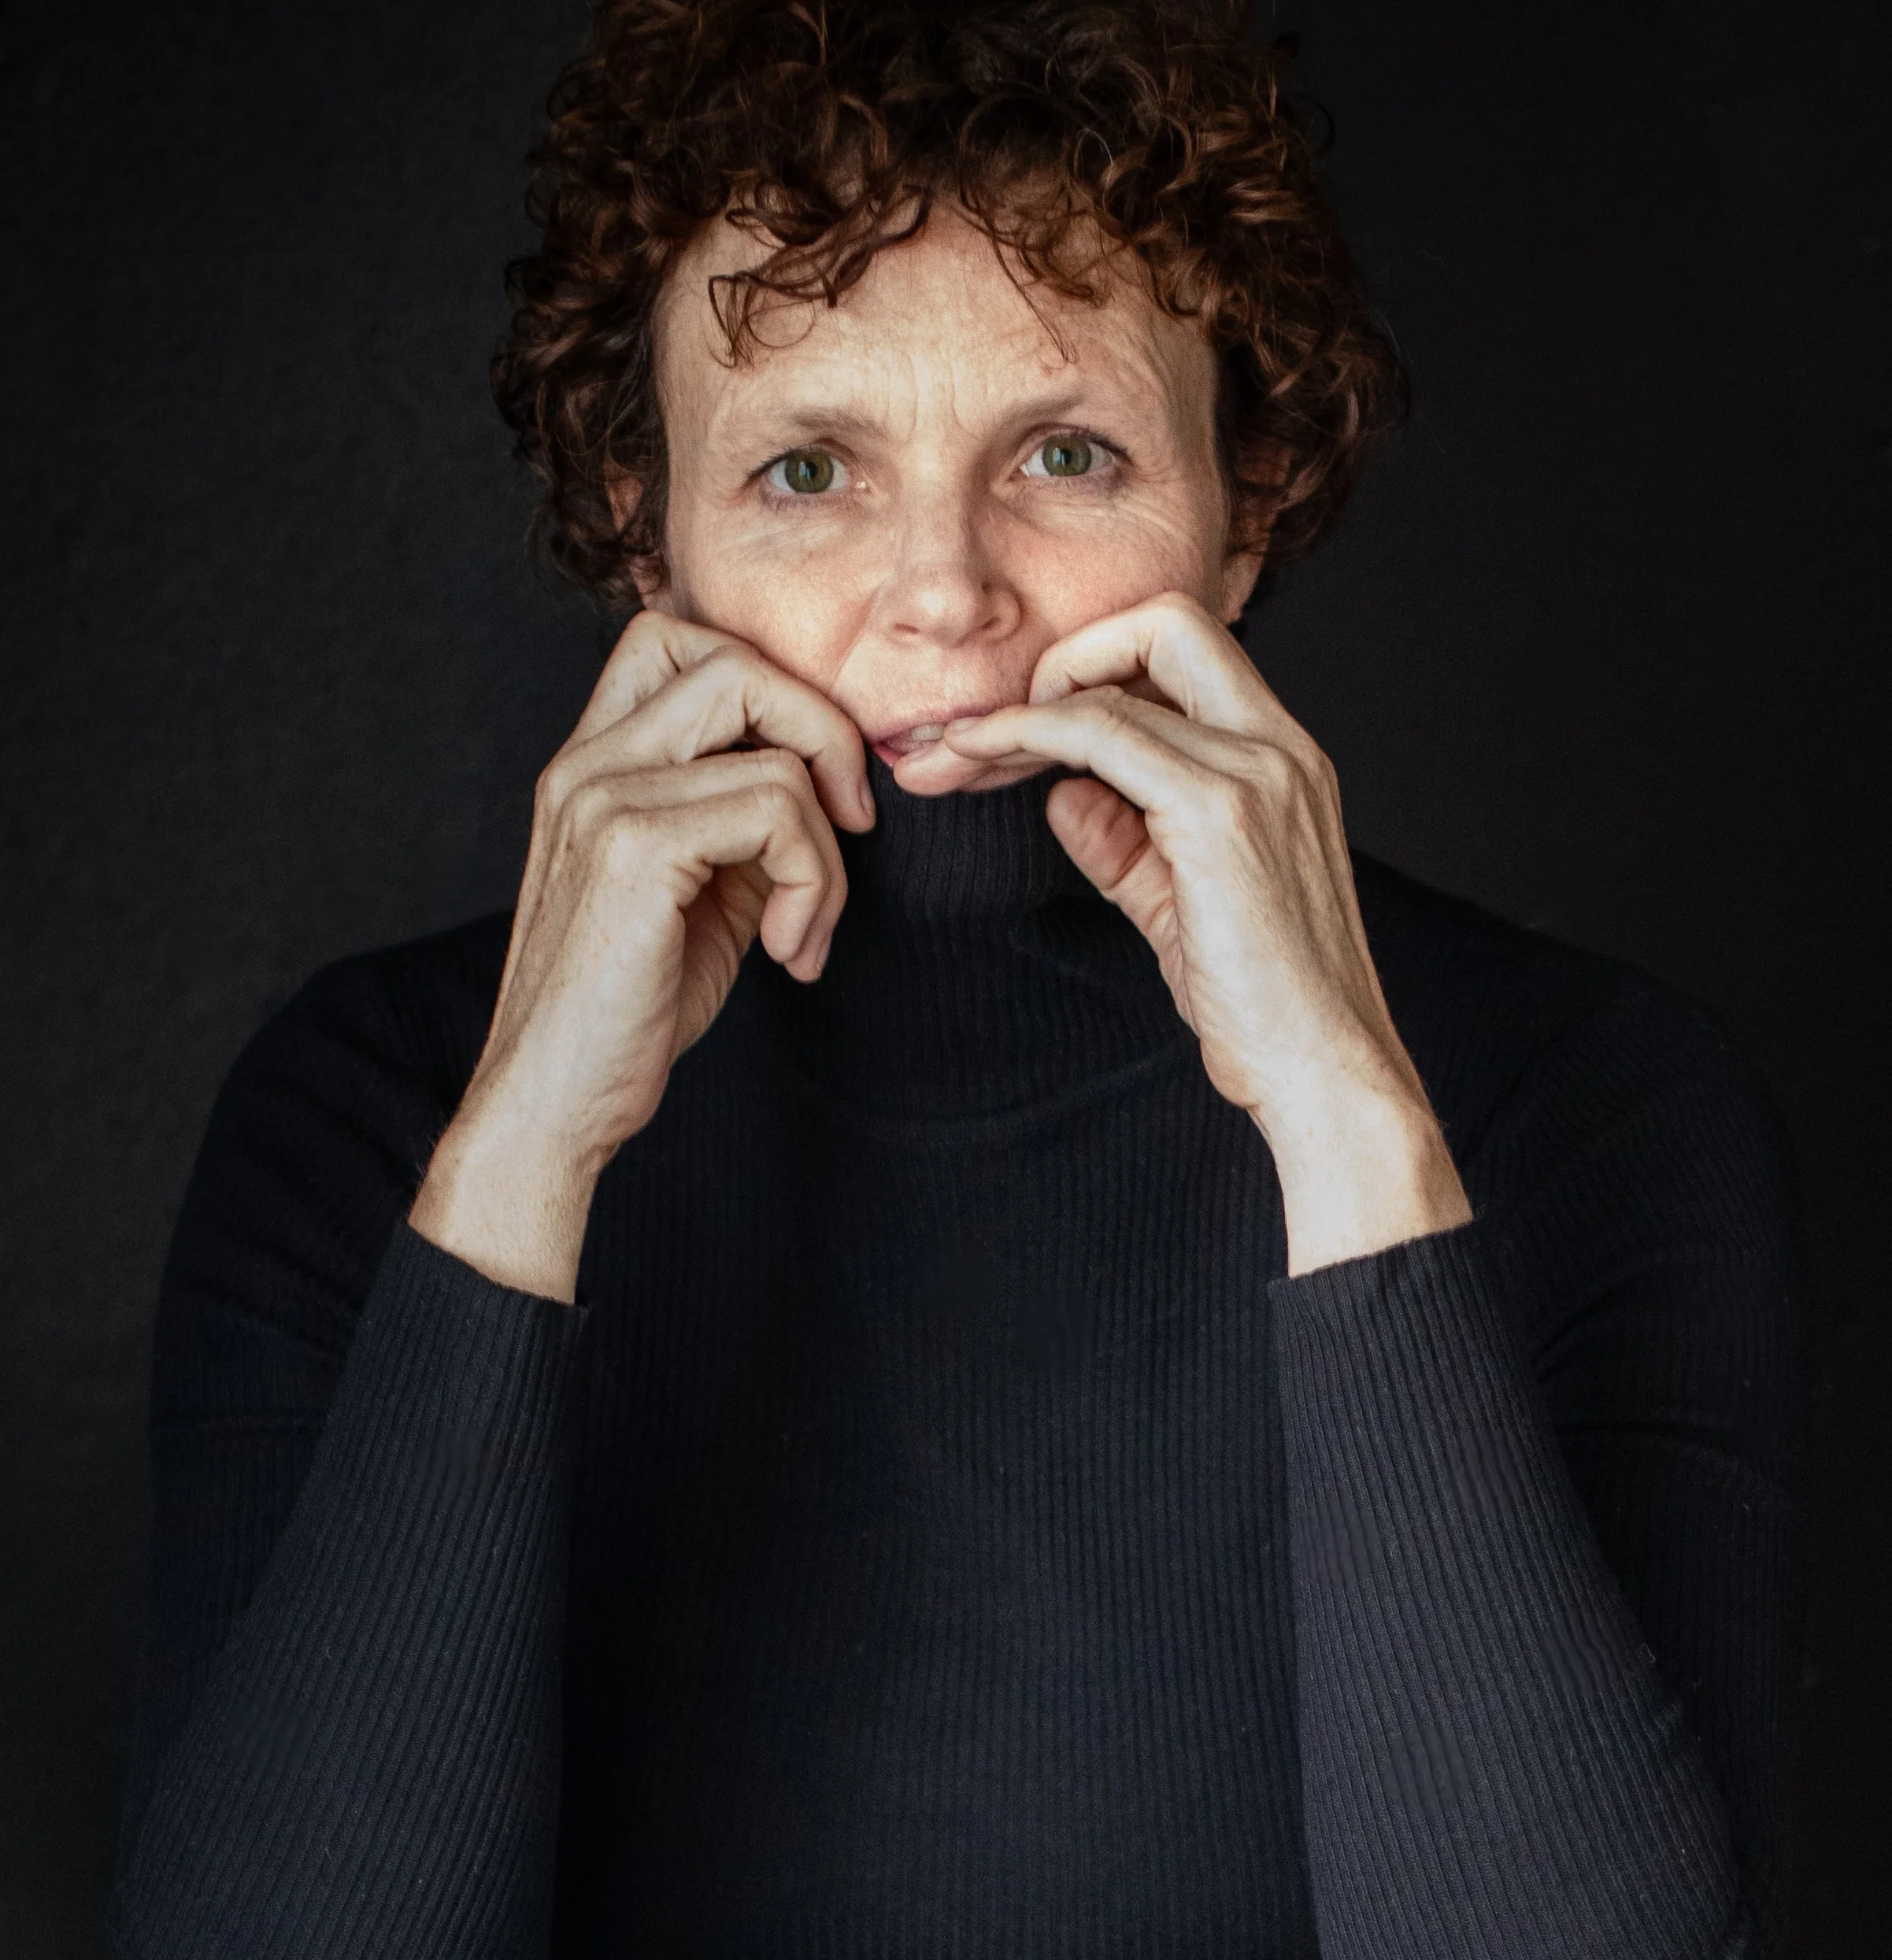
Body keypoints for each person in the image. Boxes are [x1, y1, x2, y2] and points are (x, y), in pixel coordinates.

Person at [108, 0, 1808, 1954]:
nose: (945, 587)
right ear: (640, 525)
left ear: (1241, 506)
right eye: (807, 470)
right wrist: (511, 1178)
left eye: (1065, 451)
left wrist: (1351, 1136)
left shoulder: (1600, 1103)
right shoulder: (363, 1110)